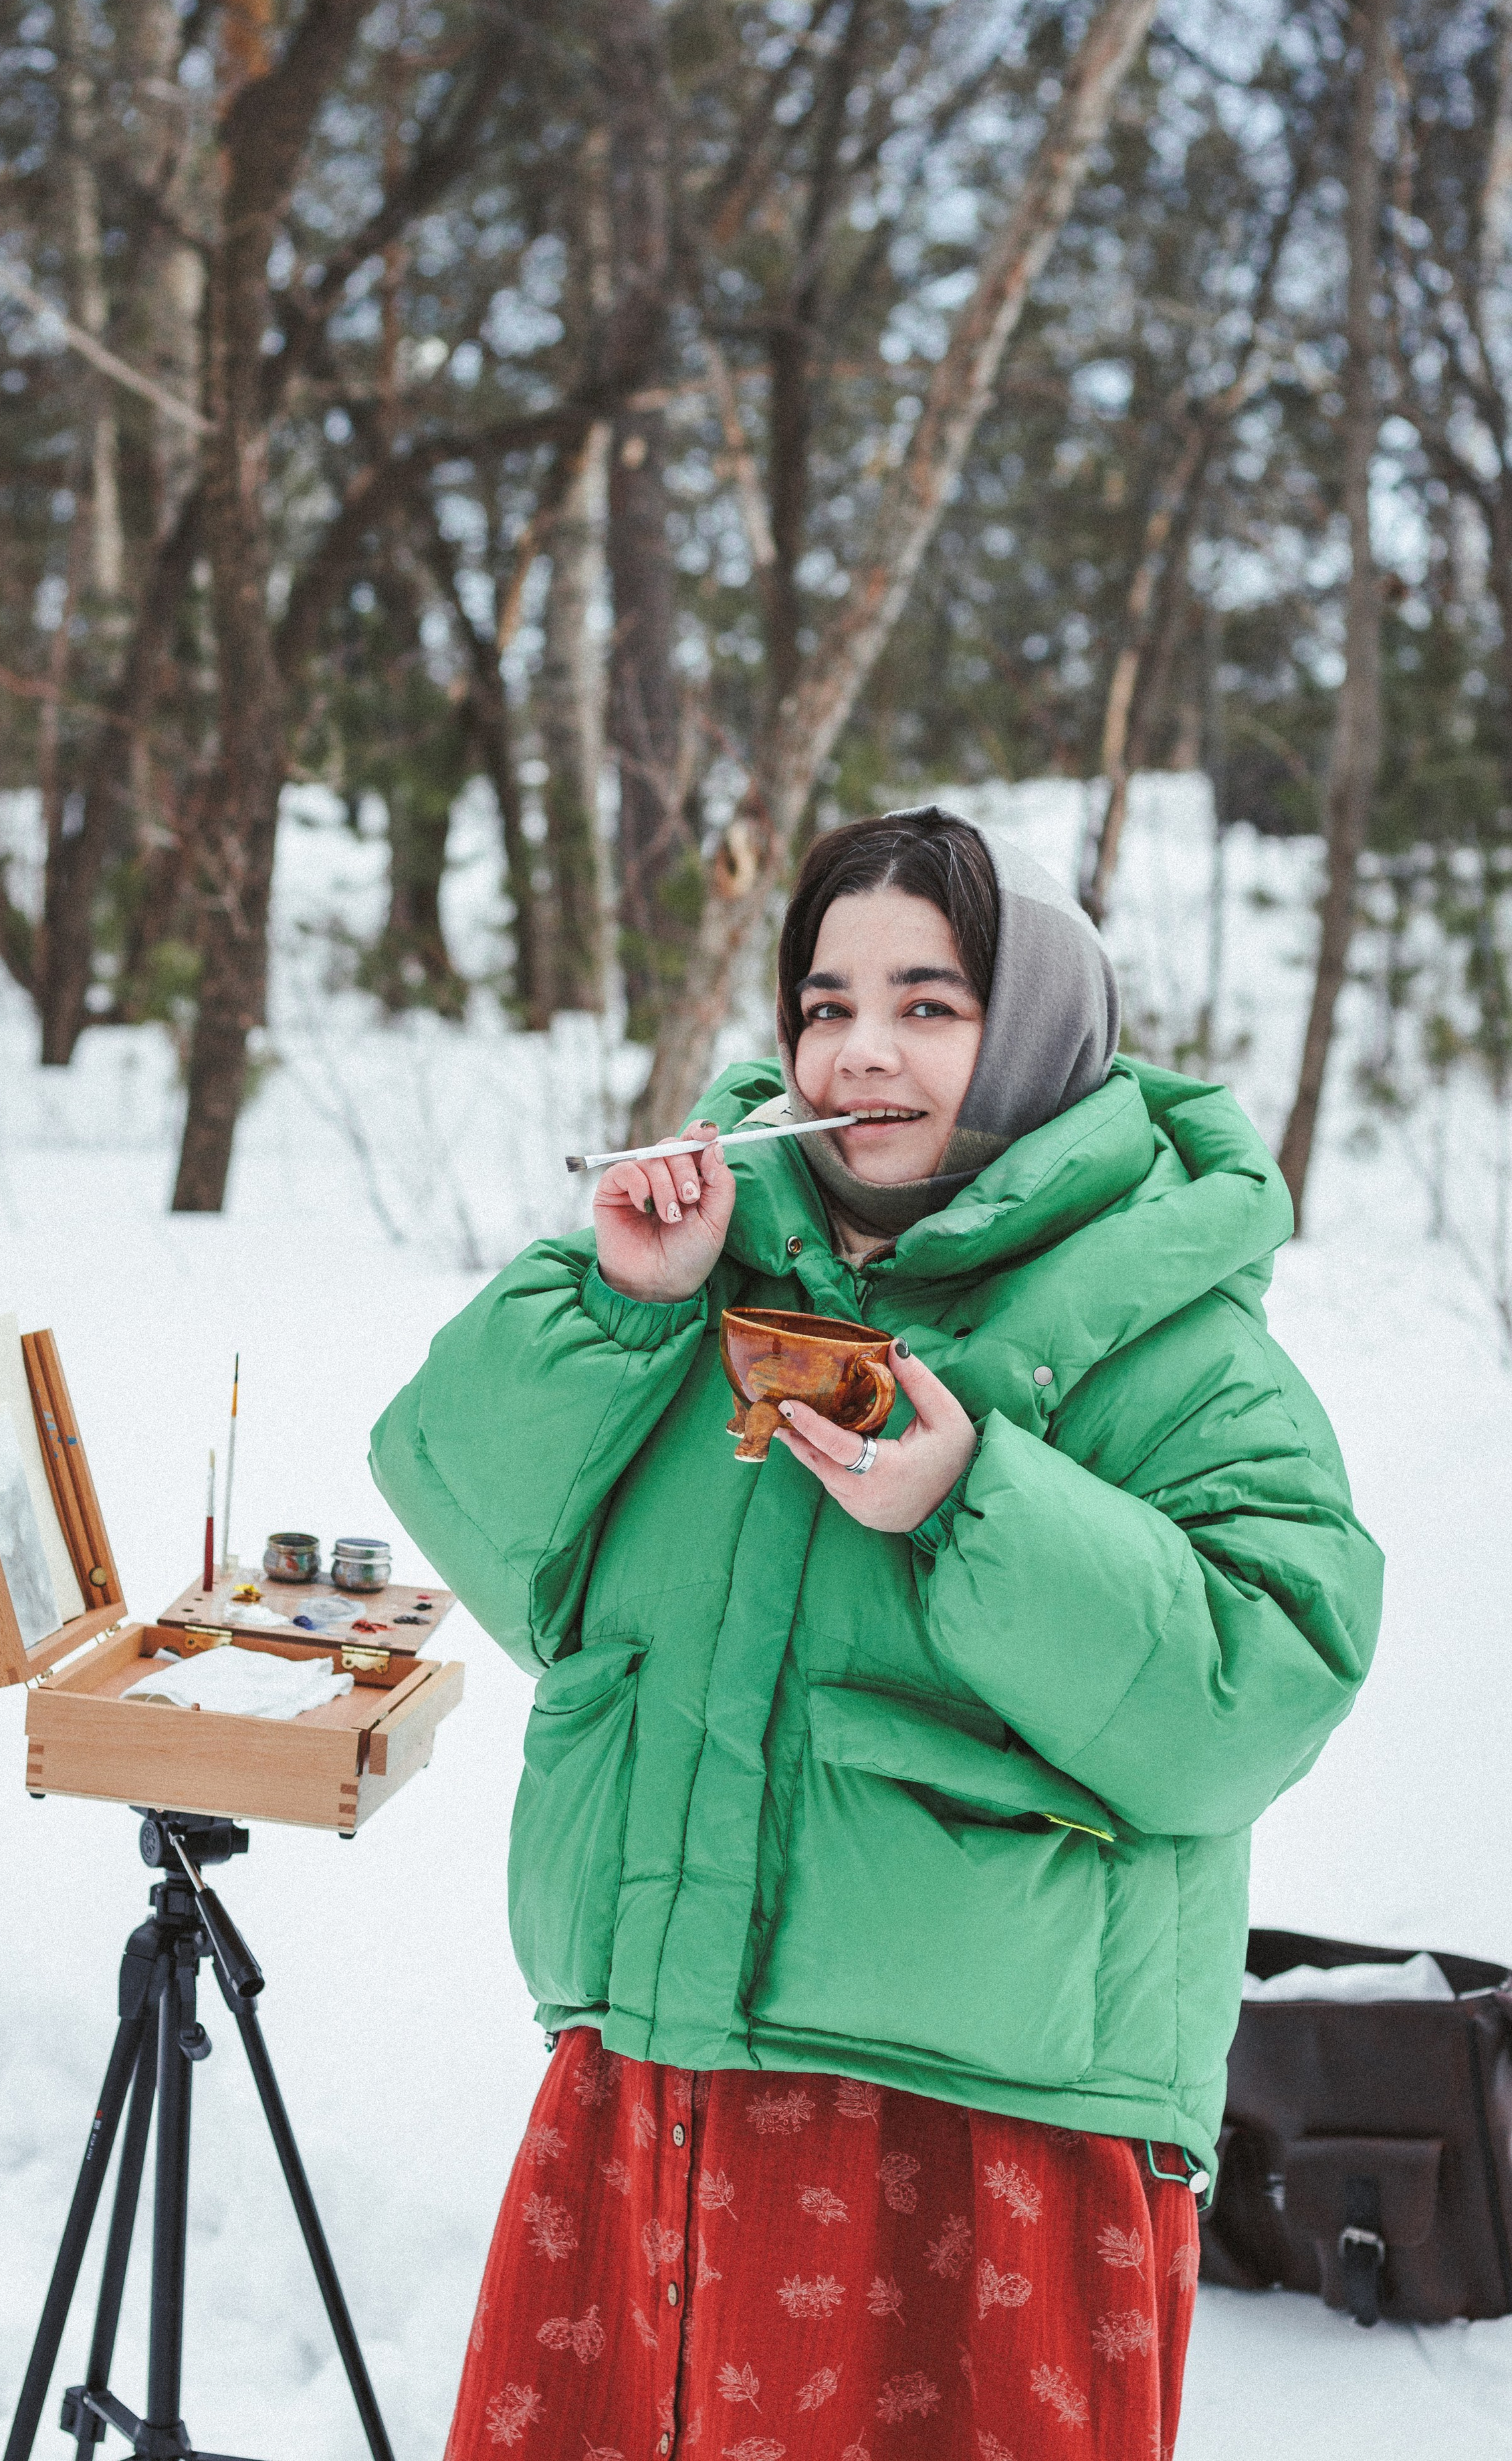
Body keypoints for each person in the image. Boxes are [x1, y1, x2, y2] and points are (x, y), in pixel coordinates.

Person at [371, 808, 1382, 2461]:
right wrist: (624, 1305)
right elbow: (483, 1523)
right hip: (656, 2076)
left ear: (1034, 1027)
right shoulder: (719, 1268)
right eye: (824, 1004)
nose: (859, 1052)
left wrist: (975, 1504)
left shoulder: (1173, 1343)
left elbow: (1254, 1694)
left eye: (928, 1003)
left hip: (983, 2143)